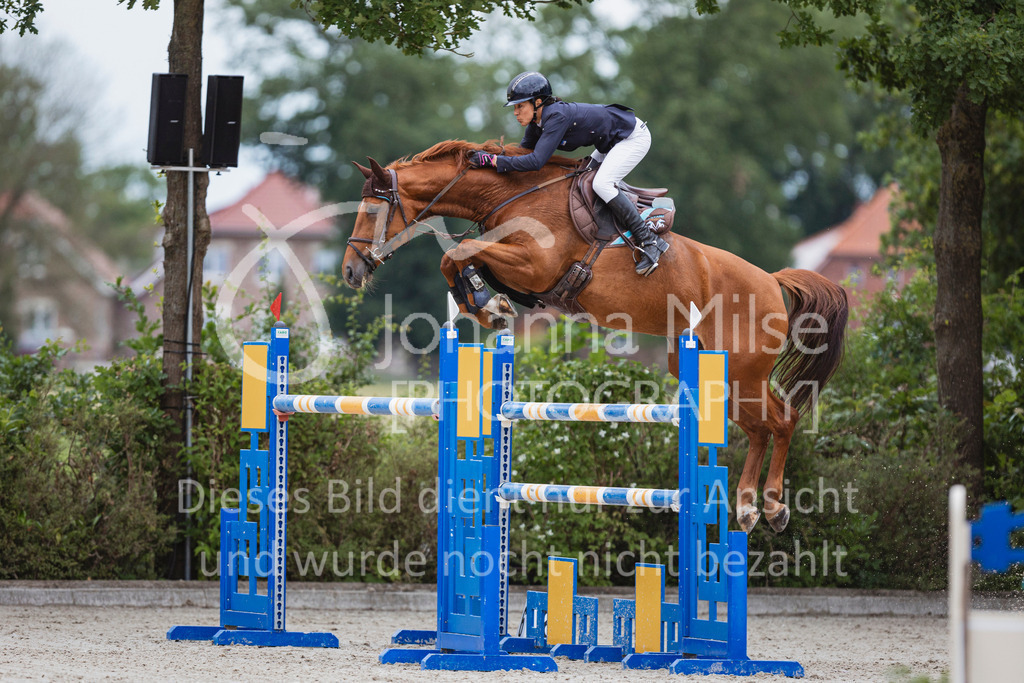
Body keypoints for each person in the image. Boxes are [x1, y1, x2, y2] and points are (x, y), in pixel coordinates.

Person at [469, 71, 668, 276]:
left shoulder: (556, 116)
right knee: (584, 178)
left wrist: (493, 161)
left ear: (538, 102)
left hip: (632, 137)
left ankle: (650, 241)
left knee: (602, 184)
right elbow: (521, 155)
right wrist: (488, 160)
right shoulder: (536, 124)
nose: (515, 113)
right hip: (609, 142)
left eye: (520, 106)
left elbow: (536, 162)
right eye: (515, 107)